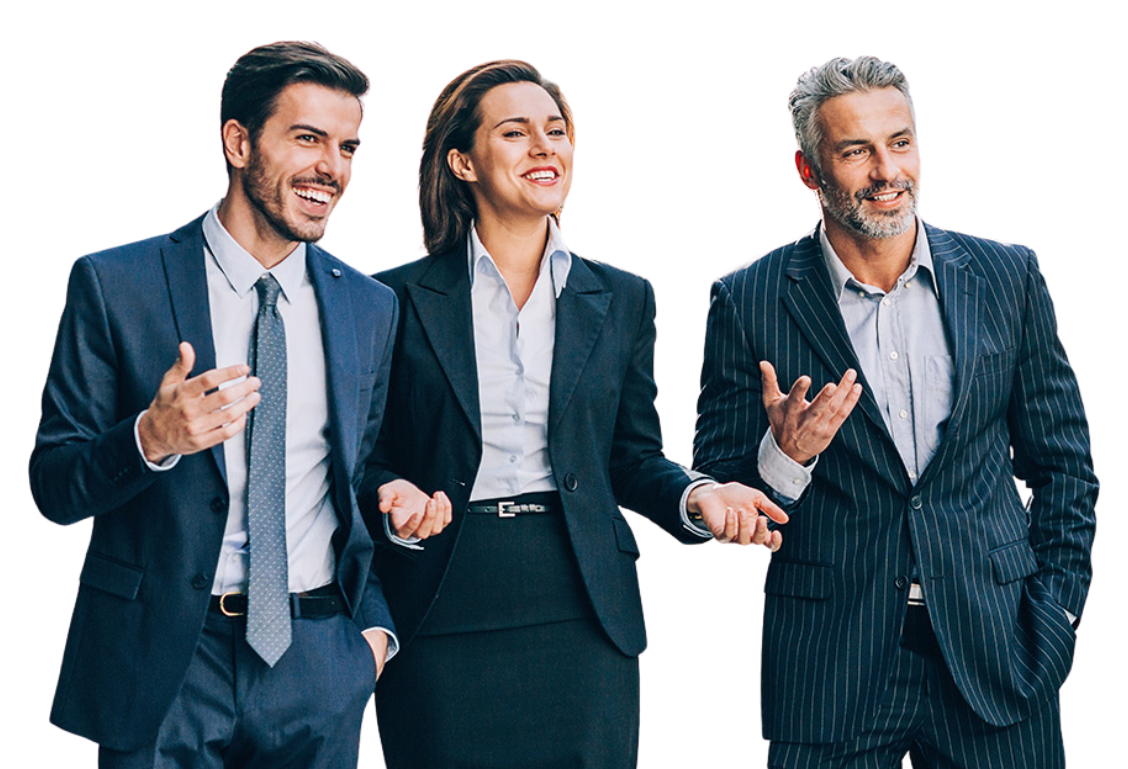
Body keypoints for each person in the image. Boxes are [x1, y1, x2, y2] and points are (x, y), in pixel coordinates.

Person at [359, 58, 787, 768]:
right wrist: (389, 488)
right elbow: (359, 452)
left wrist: (698, 492)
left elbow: (629, 455)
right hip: (442, 598)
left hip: (582, 604)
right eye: (516, 132)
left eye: (556, 131)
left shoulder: (623, 295)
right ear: (462, 161)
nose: (544, 148)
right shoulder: (389, 298)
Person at [692, 55, 1098, 767]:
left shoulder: (1008, 273)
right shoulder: (746, 296)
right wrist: (783, 459)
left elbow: (1064, 466)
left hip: (1000, 656)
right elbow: (715, 497)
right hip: (830, 670)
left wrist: (1056, 614)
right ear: (807, 170)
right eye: (856, 151)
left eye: (901, 142)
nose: (888, 171)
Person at [29, 40, 397, 768]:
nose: (333, 166)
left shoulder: (371, 305)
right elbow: (53, 484)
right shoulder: (116, 283)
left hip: (318, 658)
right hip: (165, 659)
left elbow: (356, 473)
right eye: (307, 138)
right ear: (237, 140)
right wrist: (149, 438)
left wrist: (370, 639)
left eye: (347, 145)